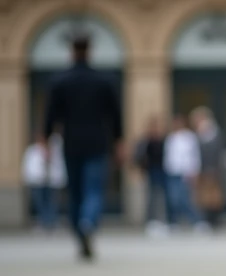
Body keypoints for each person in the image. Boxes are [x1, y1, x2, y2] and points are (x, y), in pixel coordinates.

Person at [42, 34, 123, 261]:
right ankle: (89, 222)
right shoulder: (103, 81)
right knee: (94, 189)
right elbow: (116, 115)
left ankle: (80, 233)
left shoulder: (60, 81)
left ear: (72, 51)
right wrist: (119, 141)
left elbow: (50, 116)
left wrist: (45, 141)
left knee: (75, 193)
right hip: (98, 143)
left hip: (71, 144)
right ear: (89, 51)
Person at [163, 114, 206, 231]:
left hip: (185, 173)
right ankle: (173, 222)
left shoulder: (189, 137)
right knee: (172, 199)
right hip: (172, 172)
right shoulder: (171, 138)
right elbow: (168, 156)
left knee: (184, 199)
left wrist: (194, 171)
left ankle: (197, 221)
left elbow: (194, 156)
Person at [190, 106, 226, 230]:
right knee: (204, 197)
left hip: (213, 169)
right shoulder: (197, 135)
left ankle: (214, 219)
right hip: (202, 170)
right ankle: (206, 219)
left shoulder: (214, 132)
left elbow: (219, 152)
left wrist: (216, 168)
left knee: (214, 197)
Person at [22, 133, 65, 232]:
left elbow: (60, 164)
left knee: (52, 202)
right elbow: (28, 166)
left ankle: (51, 222)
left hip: (52, 181)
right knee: (40, 202)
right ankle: (43, 221)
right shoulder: (32, 150)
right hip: (37, 181)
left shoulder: (55, 149)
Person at [134, 116, 170, 236]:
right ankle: (152, 221)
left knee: (165, 197)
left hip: (164, 171)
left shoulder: (165, 140)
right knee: (152, 196)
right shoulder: (146, 141)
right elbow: (138, 156)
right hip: (152, 171)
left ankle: (165, 221)